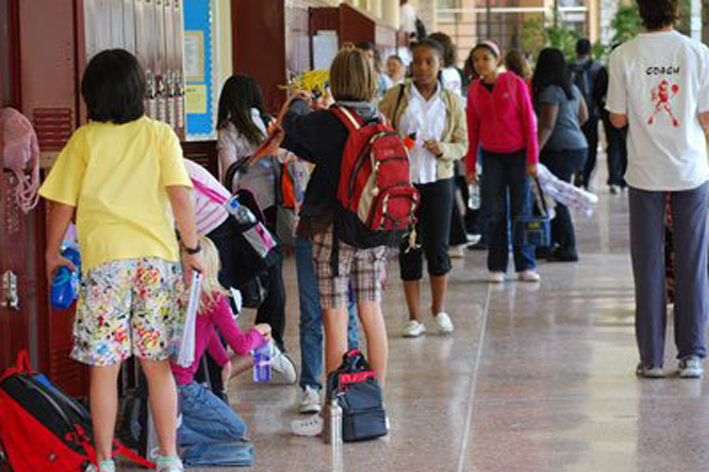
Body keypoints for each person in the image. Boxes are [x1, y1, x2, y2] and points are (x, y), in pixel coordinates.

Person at [39, 49, 202, 472]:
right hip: (155, 262)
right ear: (139, 91)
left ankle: (105, 461)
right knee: (157, 366)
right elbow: (180, 196)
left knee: (105, 368)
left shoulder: (84, 140)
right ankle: (169, 457)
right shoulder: (160, 135)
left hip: (105, 264)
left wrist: (52, 252)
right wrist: (192, 250)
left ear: (92, 94)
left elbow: (62, 203)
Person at [279, 48, 390, 436]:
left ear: (335, 81)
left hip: (330, 230)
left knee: (335, 317)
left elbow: (290, 128)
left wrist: (300, 99)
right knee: (371, 313)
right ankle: (375, 405)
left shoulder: (324, 122)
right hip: (371, 230)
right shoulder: (378, 120)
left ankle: (335, 412)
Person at [607, 0, 709, 379]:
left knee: (648, 263)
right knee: (692, 261)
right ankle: (692, 355)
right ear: (675, 11)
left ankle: (651, 359)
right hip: (690, 170)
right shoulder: (698, 53)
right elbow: (706, 116)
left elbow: (617, 119)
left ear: (641, 11)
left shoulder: (623, 54)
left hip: (644, 171)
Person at [380, 38, 468, 338]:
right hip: (405, 184)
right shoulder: (396, 96)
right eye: (417, 62)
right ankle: (414, 317)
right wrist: (396, 146)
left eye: (429, 61)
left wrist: (443, 148)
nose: (422, 67)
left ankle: (439, 310)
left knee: (438, 248)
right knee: (409, 247)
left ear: (440, 64)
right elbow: (380, 131)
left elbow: (463, 144)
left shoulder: (452, 101)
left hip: (440, 182)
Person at [183, 159, 297, 383]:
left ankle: (259, 350)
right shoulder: (164, 161)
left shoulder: (163, 166)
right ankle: (259, 352)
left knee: (209, 313)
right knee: (205, 323)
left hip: (217, 236)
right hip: (218, 231)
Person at [171, 236, 270, 466]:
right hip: (185, 387)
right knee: (235, 429)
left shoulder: (175, 297)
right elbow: (241, 345)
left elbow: (206, 333)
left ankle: (169, 427)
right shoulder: (213, 298)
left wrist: (223, 360)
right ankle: (175, 435)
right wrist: (259, 331)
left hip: (165, 383)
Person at [216, 74, 292, 361]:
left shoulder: (229, 130)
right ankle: (271, 339)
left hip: (248, 213)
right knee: (274, 269)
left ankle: (268, 341)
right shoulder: (268, 122)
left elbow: (228, 176)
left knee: (262, 272)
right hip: (274, 206)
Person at [465, 41, 540, 283]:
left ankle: (525, 264)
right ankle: (497, 266)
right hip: (491, 156)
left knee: (521, 209)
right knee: (496, 212)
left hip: (518, 155)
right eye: (476, 59)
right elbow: (472, 129)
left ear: (497, 60)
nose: (480, 63)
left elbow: (529, 123)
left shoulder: (514, 83)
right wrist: (469, 165)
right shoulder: (474, 89)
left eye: (486, 58)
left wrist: (533, 159)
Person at [532, 48, 589, 263]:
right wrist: (570, 128)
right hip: (578, 147)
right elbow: (584, 116)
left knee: (556, 198)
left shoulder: (550, 91)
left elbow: (547, 125)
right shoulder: (572, 88)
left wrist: (533, 153)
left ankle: (567, 247)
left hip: (560, 149)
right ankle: (549, 243)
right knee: (553, 196)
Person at [570, 38, 605, 190]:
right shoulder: (598, 68)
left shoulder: (568, 68)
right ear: (590, 50)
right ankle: (586, 178)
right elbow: (602, 92)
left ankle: (577, 171)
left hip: (572, 114)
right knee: (591, 146)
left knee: (575, 145)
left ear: (576, 50)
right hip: (591, 114)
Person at [596, 44, 628, 194]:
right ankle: (623, 181)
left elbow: (598, 94)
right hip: (627, 115)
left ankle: (615, 180)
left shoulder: (605, 71)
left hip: (610, 114)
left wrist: (603, 110)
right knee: (625, 146)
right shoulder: (629, 69)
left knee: (614, 146)